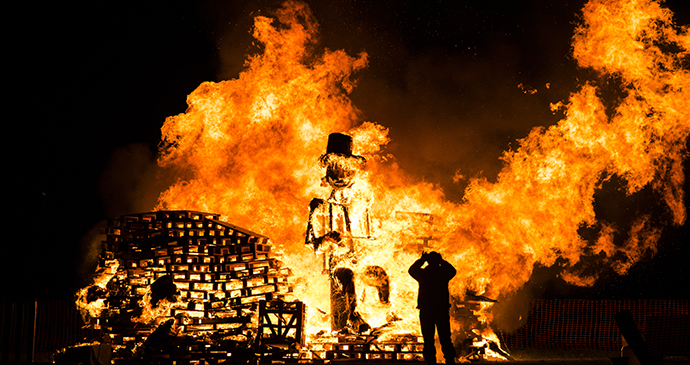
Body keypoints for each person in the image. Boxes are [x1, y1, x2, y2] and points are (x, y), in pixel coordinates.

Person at [409, 251, 457, 365]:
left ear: (428, 262)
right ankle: (449, 360)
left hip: (427, 310)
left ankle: (431, 361)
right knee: (445, 338)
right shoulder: (443, 274)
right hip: (441, 309)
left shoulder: (424, 274)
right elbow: (452, 271)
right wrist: (442, 262)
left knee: (428, 339)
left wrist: (422, 260)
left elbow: (411, 270)